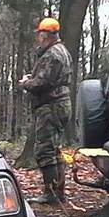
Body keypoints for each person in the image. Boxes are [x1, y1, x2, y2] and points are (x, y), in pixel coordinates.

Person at [19, 17, 71, 204]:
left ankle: (51, 194)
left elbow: (43, 82)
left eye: (40, 34)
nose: (38, 38)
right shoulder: (61, 51)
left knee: (45, 150)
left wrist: (26, 83)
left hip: (51, 106)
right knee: (54, 149)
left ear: (47, 35)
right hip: (58, 104)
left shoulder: (52, 54)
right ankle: (57, 192)